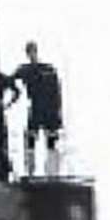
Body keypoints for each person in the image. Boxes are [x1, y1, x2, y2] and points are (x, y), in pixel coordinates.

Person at [9, 42, 64, 175]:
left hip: (48, 108)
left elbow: (57, 91)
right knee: (31, 138)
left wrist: (58, 112)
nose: (31, 54)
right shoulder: (26, 69)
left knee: (50, 140)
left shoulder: (47, 69)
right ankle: (31, 170)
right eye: (30, 52)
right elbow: (9, 80)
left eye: (32, 51)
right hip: (37, 107)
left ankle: (52, 171)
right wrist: (15, 94)